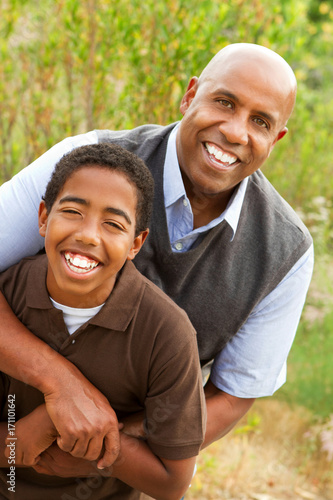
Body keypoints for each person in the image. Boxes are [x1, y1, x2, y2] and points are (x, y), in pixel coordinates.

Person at [0, 43, 313, 471]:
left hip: (123, 470)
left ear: (275, 139)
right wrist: (60, 385)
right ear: (190, 95)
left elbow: (234, 394)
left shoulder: (287, 251)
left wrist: (107, 443)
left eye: (260, 122)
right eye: (224, 102)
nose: (237, 132)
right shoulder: (84, 160)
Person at [0, 144, 206, 500]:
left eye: (113, 224)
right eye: (73, 211)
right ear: (43, 217)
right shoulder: (10, 292)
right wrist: (17, 442)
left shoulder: (167, 335)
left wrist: (100, 450)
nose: (89, 235)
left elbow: (173, 482)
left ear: (135, 244)